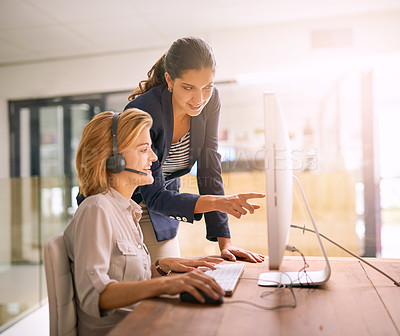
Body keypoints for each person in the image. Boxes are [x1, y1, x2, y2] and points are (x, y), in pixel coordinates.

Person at [65, 109, 225, 336]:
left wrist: (163, 266)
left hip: (144, 321)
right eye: (143, 149)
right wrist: (167, 285)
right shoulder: (96, 209)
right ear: (114, 160)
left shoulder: (126, 210)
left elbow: (126, 281)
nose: (154, 157)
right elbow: (96, 295)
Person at [124, 36, 265, 263]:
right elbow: (154, 194)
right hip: (123, 204)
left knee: (171, 278)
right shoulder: (144, 111)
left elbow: (210, 169)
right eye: (188, 88)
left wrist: (224, 241)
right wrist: (217, 202)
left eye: (207, 87)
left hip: (162, 206)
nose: (199, 99)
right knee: (149, 283)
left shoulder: (211, 101)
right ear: (169, 80)